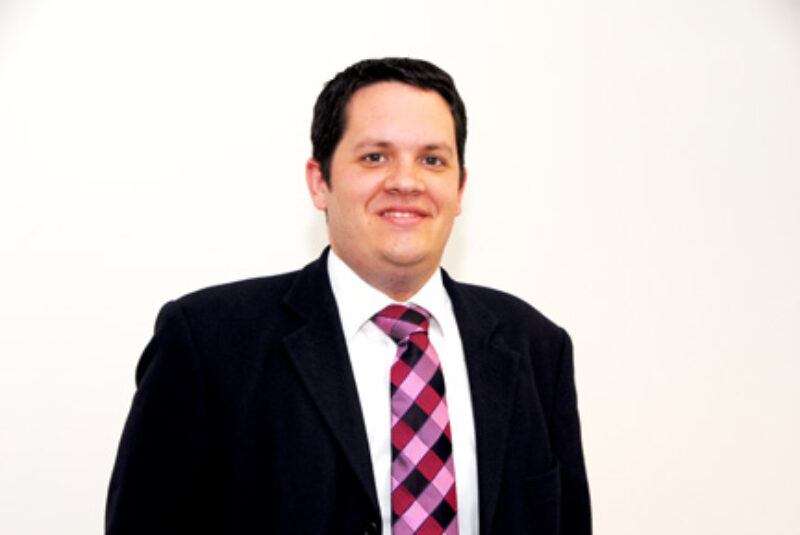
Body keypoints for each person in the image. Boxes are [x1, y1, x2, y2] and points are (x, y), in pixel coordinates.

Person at [106, 57, 591, 535]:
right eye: (375, 156)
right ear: (320, 182)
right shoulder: (207, 342)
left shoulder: (536, 347)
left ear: (460, 187)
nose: (406, 181)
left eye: (432, 159)